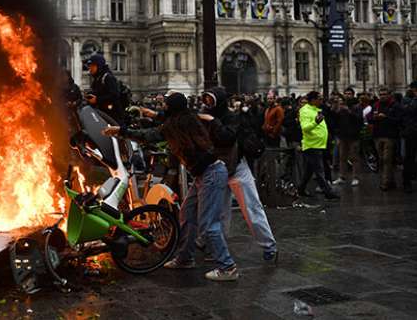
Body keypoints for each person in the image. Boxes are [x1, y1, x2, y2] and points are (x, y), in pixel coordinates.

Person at [103, 93, 239, 281]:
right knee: (187, 214)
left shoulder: (176, 125)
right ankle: (185, 258)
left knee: (208, 225)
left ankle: (227, 267)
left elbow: (149, 135)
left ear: (172, 108)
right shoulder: (185, 119)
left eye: (166, 105)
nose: (164, 107)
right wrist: (148, 115)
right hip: (204, 174)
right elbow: (161, 122)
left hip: (211, 174)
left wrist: (121, 131)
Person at [201, 89, 278, 262]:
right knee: (219, 211)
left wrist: (213, 122)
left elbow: (227, 137)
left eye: (211, 100)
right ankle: (216, 246)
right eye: (206, 100)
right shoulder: (204, 116)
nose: (208, 104)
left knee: (251, 207)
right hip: (216, 166)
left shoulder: (231, 117)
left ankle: (269, 246)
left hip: (236, 166)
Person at [297, 91, 340, 199]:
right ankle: (328, 192)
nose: (321, 100)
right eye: (319, 98)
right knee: (319, 170)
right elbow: (305, 128)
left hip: (319, 144)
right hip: (312, 145)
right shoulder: (305, 110)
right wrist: (315, 122)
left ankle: (301, 189)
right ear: (313, 100)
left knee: (309, 170)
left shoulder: (316, 109)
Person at [368, 87, 403, 191]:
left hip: (390, 136)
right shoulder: (376, 105)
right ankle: (391, 180)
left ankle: (385, 183)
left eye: (384, 94)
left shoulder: (395, 105)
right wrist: (374, 118)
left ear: (389, 95)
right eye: (381, 94)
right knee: (382, 159)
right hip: (378, 135)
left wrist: (386, 117)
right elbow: (369, 118)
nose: (382, 96)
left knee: (386, 159)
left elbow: (399, 120)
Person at [333, 96, 363, 187]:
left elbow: (359, 120)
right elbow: (335, 121)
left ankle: (355, 177)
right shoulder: (340, 110)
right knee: (342, 157)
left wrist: (349, 112)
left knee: (354, 158)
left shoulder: (356, 108)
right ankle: (342, 177)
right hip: (343, 136)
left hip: (354, 137)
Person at [84, 54, 123, 124]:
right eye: (89, 66)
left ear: (99, 66)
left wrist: (97, 99)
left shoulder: (108, 77)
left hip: (112, 116)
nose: (90, 68)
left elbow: (114, 95)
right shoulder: (97, 78)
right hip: (102, 114)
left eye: (92, 66)